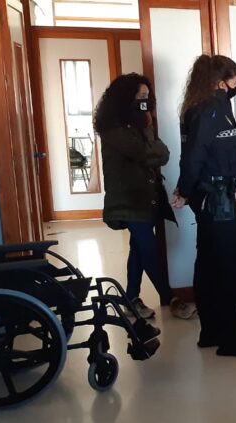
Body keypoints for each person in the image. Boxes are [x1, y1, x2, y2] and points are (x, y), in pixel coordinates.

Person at [173, 55, 236, 357]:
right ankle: (231, 339)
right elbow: (194, 156)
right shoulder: (210, 109)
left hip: (214, 195)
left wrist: (188, 190)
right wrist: (184, 191)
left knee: (210, 263)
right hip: (215, 197)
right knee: (229, 267)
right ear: (220, 81)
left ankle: (211, 332)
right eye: (235, 79)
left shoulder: (207, 106)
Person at [95, 73, 196, 321]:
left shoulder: (139, 124)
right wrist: (149, 132)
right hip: (128, 200)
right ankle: (171, 298)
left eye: (147, 98)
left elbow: (164, 154)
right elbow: (141, 152)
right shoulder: (113, 128)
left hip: (146, 198)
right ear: (125, 98)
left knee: (138, 249)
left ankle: (131, 298)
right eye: (141, 97)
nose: (145, 102)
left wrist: (147, 131)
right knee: (147, 248)